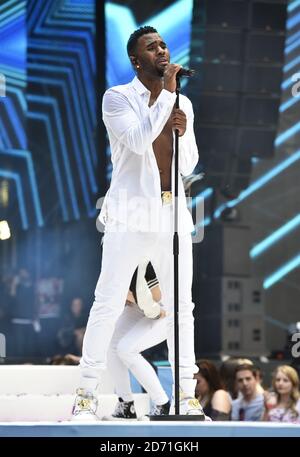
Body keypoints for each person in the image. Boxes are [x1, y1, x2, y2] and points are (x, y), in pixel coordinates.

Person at [72, 25, 203, 420]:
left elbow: (190, 163)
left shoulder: (182, 103)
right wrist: (166, 95)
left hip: (172, 212)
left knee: (182, 307)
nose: (162, 50)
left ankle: (185, 395)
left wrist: (182, 128)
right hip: (129, 214)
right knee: (108, 302)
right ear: (136, 59)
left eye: (163, 44)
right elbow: (138, 139)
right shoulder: (117, 98)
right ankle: (86, 396)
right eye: (152, 47)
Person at [104, 260, 169, 420]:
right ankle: (126, 405)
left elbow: (156, 296)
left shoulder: (143, 257)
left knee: (126, 349)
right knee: (110, 345)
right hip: (140, 306)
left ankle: (162, 405)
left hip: (165, 308)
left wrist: (125, 294)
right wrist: (126, 295)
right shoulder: (112, 255)